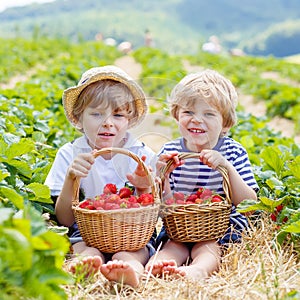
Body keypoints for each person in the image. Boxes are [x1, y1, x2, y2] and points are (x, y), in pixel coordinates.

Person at [45, 65, 157, 288]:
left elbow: (150, 214)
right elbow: (65, 220)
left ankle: (131, 271)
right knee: (83, 249)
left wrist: (144, 189)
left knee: (131, 253)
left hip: (131, 234)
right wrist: (71, 179)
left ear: (129, 119)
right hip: (84, 233)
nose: (108, 122)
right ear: (79, 117)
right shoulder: (69, 155)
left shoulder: (141, 155)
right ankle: (87, 265)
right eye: (96, 114)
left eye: (118, 115)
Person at [145, 69, 259, 281]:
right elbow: (164, 209)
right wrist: (163, 180)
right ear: (176, 115)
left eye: (209, 114)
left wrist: (226, 167)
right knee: (173, 244)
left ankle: (199, 270)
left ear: (225, 123)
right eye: (188, 112)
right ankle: (156, 266)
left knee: (208, 246)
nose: (197, 120)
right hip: (180, 225)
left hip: (219, 227)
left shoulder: (233, 152)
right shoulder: (169, 153)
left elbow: (249, 205)